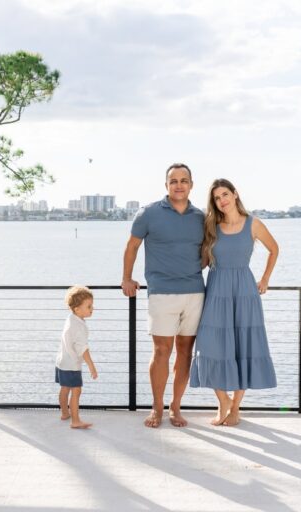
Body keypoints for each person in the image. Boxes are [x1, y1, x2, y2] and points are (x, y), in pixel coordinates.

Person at [189, 178, 279, 427]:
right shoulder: (211, 226)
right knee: (209, 346)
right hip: (216, 290)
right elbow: (204, 261)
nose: (222, 201)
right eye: (217, 198)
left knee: (244, 347)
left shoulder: (253, 224)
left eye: (225, 194)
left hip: (245, 291)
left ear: (235, 194)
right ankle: (223, 401)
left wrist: (265, 279)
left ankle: (235, 407)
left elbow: (274, 249)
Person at [122, 163, 205, 428]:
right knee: (161, 351)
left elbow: (207, 251)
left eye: (184, 180)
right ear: (166, 185)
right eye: (173, 181)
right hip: (161, 293)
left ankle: (175, 407)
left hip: (195, 292)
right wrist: (126, 278)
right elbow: (132, 246)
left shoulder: (201, 217)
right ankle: (157, 408)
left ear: (191, 184)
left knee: (185, 353)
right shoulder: (148, 213)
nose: (178, 185)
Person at [55, 285, 99, 429]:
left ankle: (64, 413)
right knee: (76, 391)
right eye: (89, 306)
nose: (92, 308)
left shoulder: (71, 319)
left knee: (64, 388)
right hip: (72, 364)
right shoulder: (79, 327)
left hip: (62, 361)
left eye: (91, 305)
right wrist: (91, 366)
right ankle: (75, 421)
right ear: (77, 309)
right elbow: (83, 349)